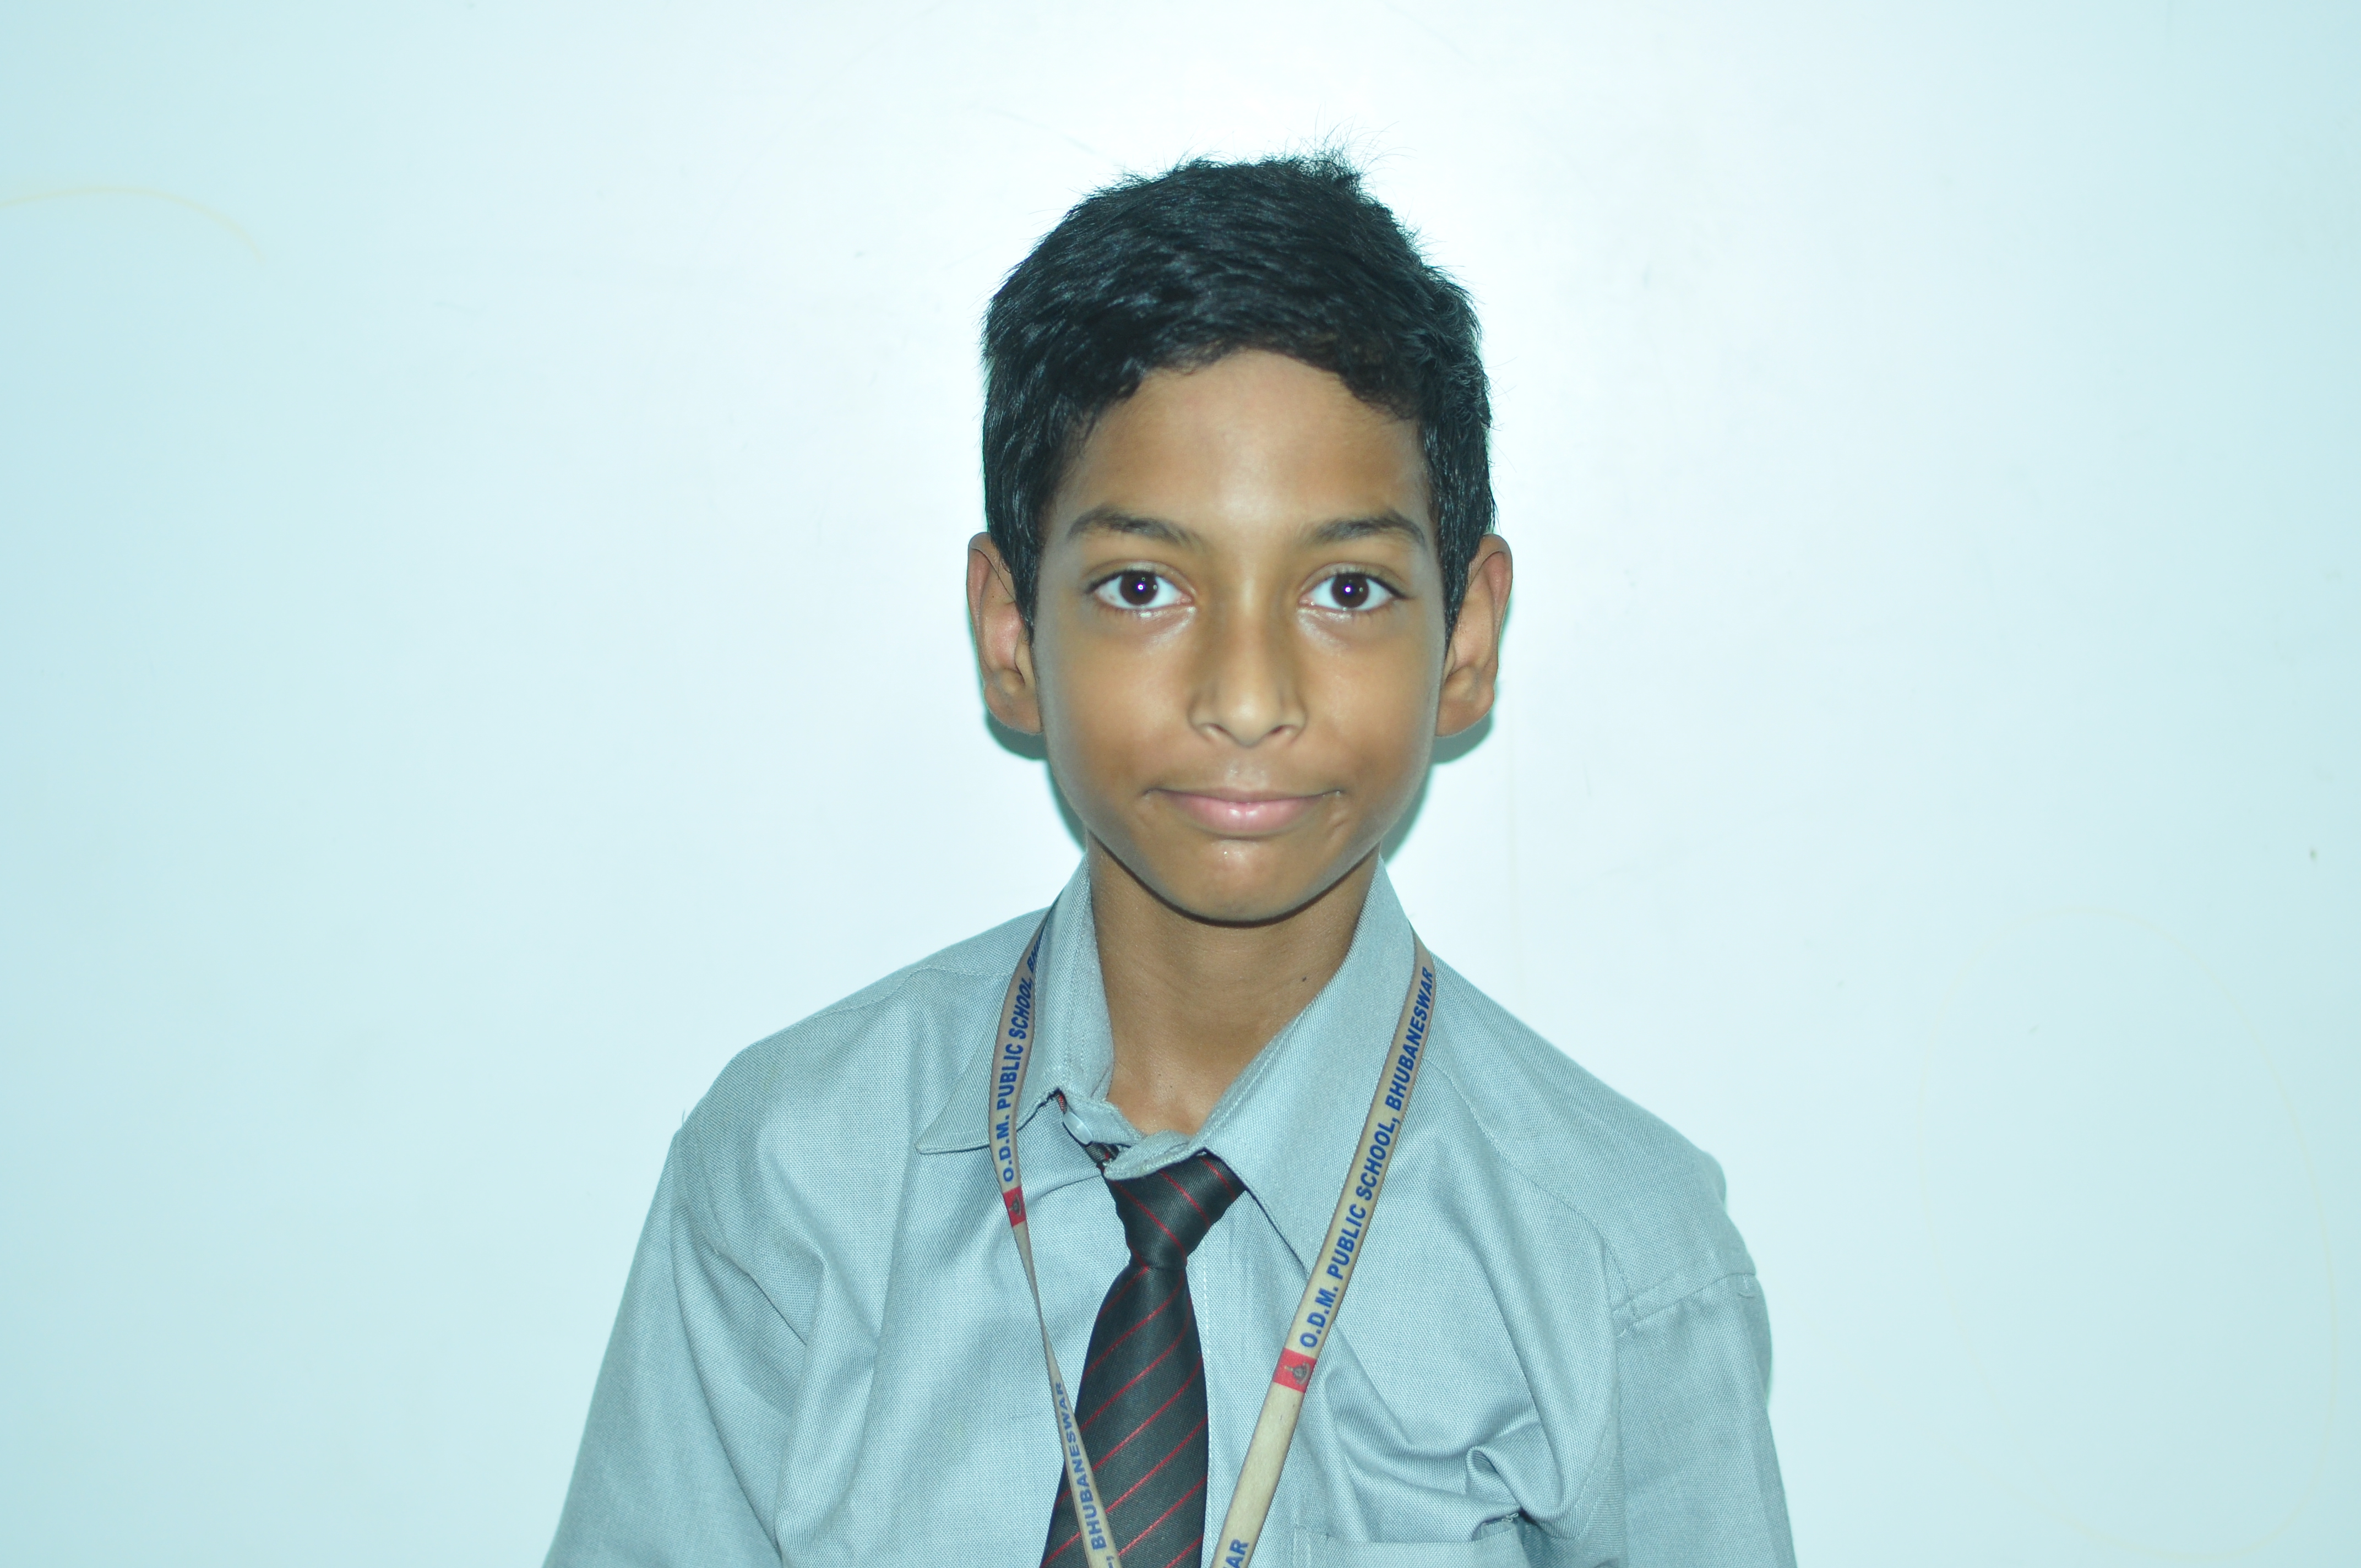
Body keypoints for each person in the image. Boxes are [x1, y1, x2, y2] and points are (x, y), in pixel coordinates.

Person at [546, 153, 1793, 1568]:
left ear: (1464, 640)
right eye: (1142, 586)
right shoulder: (788, 1179)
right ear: (1010, 633)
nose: (1245, 697)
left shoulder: (1620, 1265)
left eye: (1345, 588)